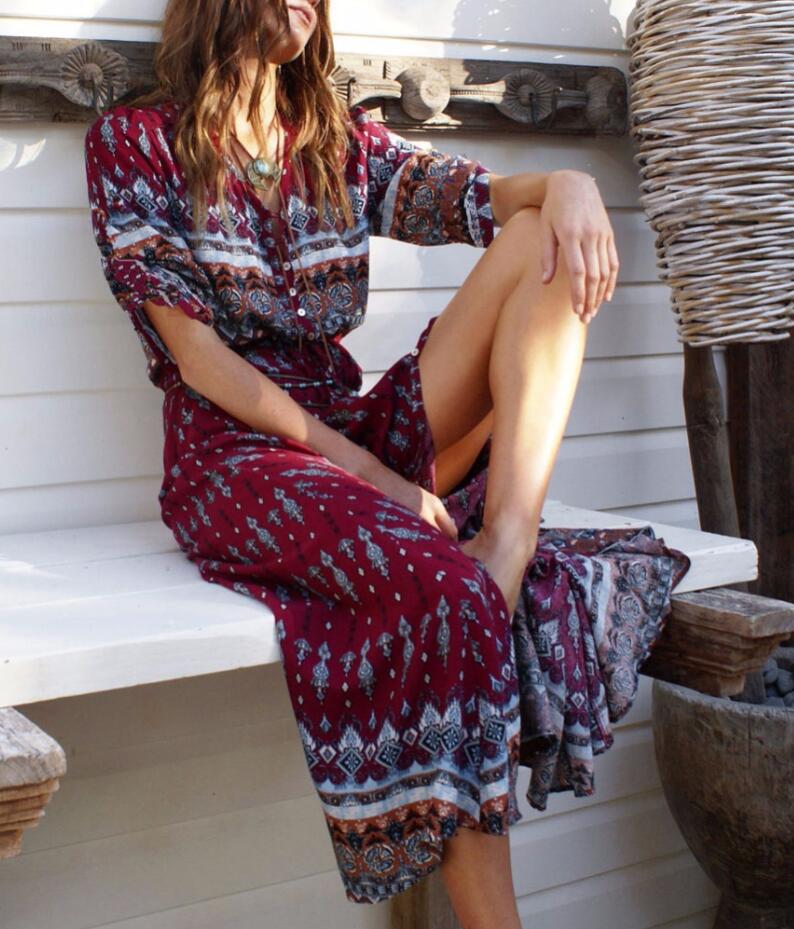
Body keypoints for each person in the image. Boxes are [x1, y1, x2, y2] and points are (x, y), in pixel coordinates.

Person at [83, 0, 691, 924]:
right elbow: (201, 361)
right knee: (449, 595)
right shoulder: (136, 144)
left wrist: (568, 182)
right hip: (235, 459)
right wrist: (377, 479)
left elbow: (478, 197)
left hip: (344, 424)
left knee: (539, 236)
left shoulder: (330, 140)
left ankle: (510, 538)